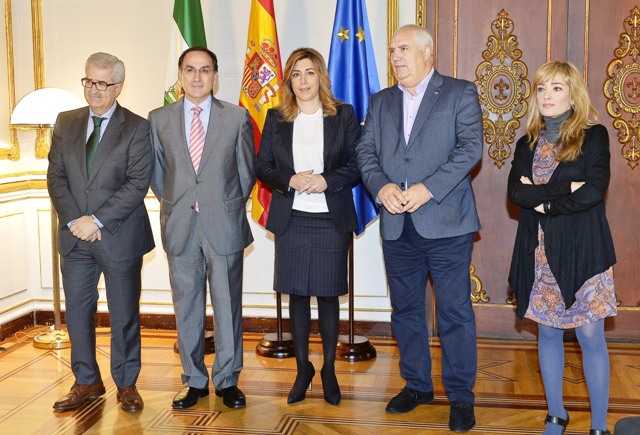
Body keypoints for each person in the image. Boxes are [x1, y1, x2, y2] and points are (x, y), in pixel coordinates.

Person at [356, 24, 482, 432]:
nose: (395, 56)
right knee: (406, 311)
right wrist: (382, 186)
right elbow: (365, 151)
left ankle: (461, 397)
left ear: (427, 53)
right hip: (397, 226)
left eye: (404, 48)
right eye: (392, 49)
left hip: (447, 224)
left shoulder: (459, 93)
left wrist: (429, 189)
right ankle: (417, 385)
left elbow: (470, 148)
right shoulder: (381, 101)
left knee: (454, 314)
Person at [508, 61, 617, 435]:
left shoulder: (594, 135)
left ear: (573, 94)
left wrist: (544, 201)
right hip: (538, 250)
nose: (547, 96)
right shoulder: (528, 142)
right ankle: (556, 415)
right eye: (541, 89)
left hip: (585, 248)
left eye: (556, 88)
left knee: (590, 336)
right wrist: (561, 191)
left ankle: (599, 425)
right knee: (549, 332)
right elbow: (515, 192)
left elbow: (593, 189)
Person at [47, 52, 154, 413]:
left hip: (119, 235)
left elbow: (137, 183)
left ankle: (126, 384)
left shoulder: (138, 127)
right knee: (78, 311)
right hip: (75, 235)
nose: (93, 90)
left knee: (124, 314)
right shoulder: (66, 121)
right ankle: (87, 380)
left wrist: (97, 220)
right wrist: (77, 219)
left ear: (118, 87)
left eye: (102, 83)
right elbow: (56, 176)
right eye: (88, 81)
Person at [149, 47, 255, 410]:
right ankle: (193, 380)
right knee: (187, 307)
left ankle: (227, 380)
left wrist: (222, 206)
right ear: (180, 75)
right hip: (180, 226)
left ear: (215, 76)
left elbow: (245, 174)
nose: (197, 77)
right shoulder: (159, 119)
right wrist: (179, 204)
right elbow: (158, 174)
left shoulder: (237, 117)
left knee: (227, 306)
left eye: (205, 70)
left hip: (223, 224)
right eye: (190, 70)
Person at [256, 47, 360, 406]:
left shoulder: (342, 115)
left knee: (329, 294)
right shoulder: (277, 117)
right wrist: (291, 180)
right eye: (296, 74)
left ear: (321, 77)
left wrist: (326, 180)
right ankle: (303, 370)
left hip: (331, 219)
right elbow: (263, 166)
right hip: (292, 218)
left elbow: (357, 164)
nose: (303, 80)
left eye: (310, 72)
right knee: (297, 294)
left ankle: (329, 369)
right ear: (289, 80)